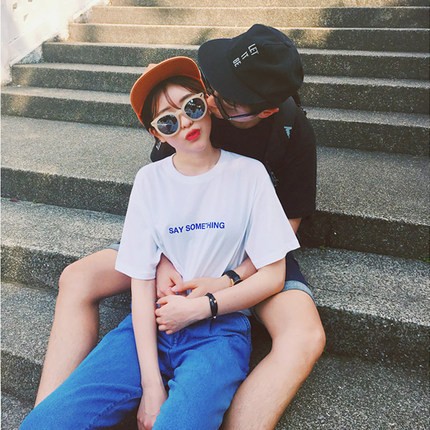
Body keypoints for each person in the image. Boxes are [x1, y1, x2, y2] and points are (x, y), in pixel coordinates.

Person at [34, 24, 326, 429]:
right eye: (210, 89)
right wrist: (162, 262)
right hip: (178, 240)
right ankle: (50, 410)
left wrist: (228, 280)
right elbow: (161, 198)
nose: (208, 102)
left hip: (246, 249)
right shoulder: (193, 112)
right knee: (78, 278)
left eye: (218, 101)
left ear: (264, 111)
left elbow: (286, 227)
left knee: (305, 335)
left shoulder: (284, 138)